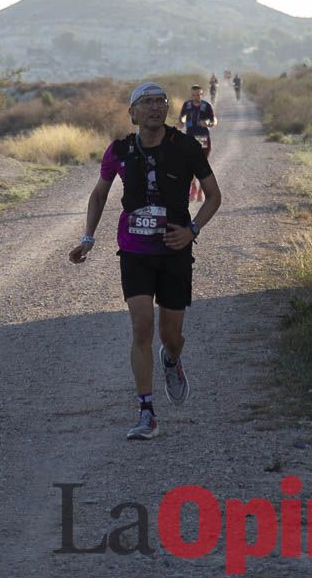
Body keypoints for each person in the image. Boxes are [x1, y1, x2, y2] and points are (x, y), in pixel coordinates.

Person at [68, 82, 222, 440]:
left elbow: (214, 196)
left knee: (171, 336)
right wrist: (88, 238)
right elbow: (99, 194)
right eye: (147, 102)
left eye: (161, 102)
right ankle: (146, 412)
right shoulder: (119, 150)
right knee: (141, 327)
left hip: (175, 250)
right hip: (134, 251)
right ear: (132, 113)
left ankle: (171, 359)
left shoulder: (184, 146)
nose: (155, 107)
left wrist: (192, 230)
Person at [179, 85, 216, 202]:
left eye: (199, 94)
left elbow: (214, 120)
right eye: (194, 94)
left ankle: (201, 190)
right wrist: (181, 122)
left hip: (203, 137)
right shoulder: (187, 105)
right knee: (189, 165)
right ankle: (193, 188)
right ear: (191, 95)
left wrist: (209, 124)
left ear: (202, 94)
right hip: (190, 137)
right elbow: (181, 118)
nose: (196, 97)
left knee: (202, 165)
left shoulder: (206, 106)